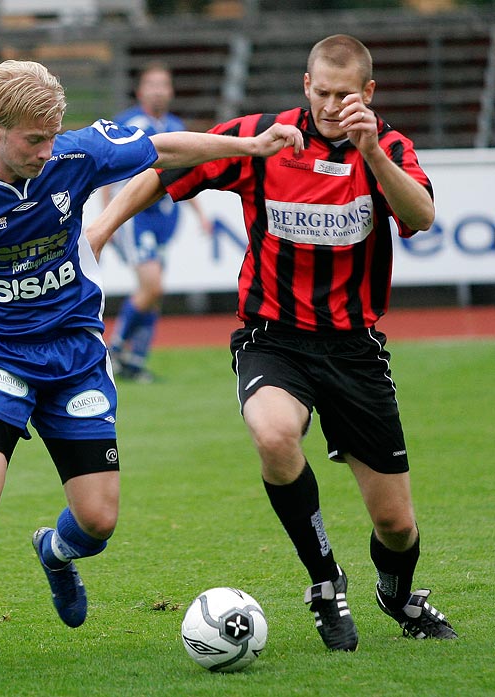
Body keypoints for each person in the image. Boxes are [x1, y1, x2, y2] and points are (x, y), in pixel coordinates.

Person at [0, 59, 304, 674]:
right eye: (35, 138)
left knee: (98, 521)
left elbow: (163, 148)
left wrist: (249, 145)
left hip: (76, 358)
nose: (48, 148)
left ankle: (56, 552)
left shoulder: (73, 156)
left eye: (52, 134)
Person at [87, 34, 457, 651]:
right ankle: (324, 581)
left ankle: (396, 593)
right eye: (322, 92)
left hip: (354, 349)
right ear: (305, 85)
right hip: (273, 337)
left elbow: (419, 216)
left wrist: (372, 154)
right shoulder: (265, 136)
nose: (332, 105)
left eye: (346, 94)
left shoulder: (387, 146)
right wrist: (99, 232)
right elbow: (165, 172)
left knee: (395, 525)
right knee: (274, 433)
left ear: (367, 93)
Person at [102, 62, 210, 382]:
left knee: (153, 292)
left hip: (166, 217)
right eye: (152, 84)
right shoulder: (129, 123)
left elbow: (186, 173)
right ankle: (115, 348)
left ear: (171, 91)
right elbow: (108, 171)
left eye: (164, 84)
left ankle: (135, 361)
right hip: (136, 217)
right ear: (140, 91)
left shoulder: (175, 125)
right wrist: (107, 216)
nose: (159, 90)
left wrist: (200, 214)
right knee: (153, 286)